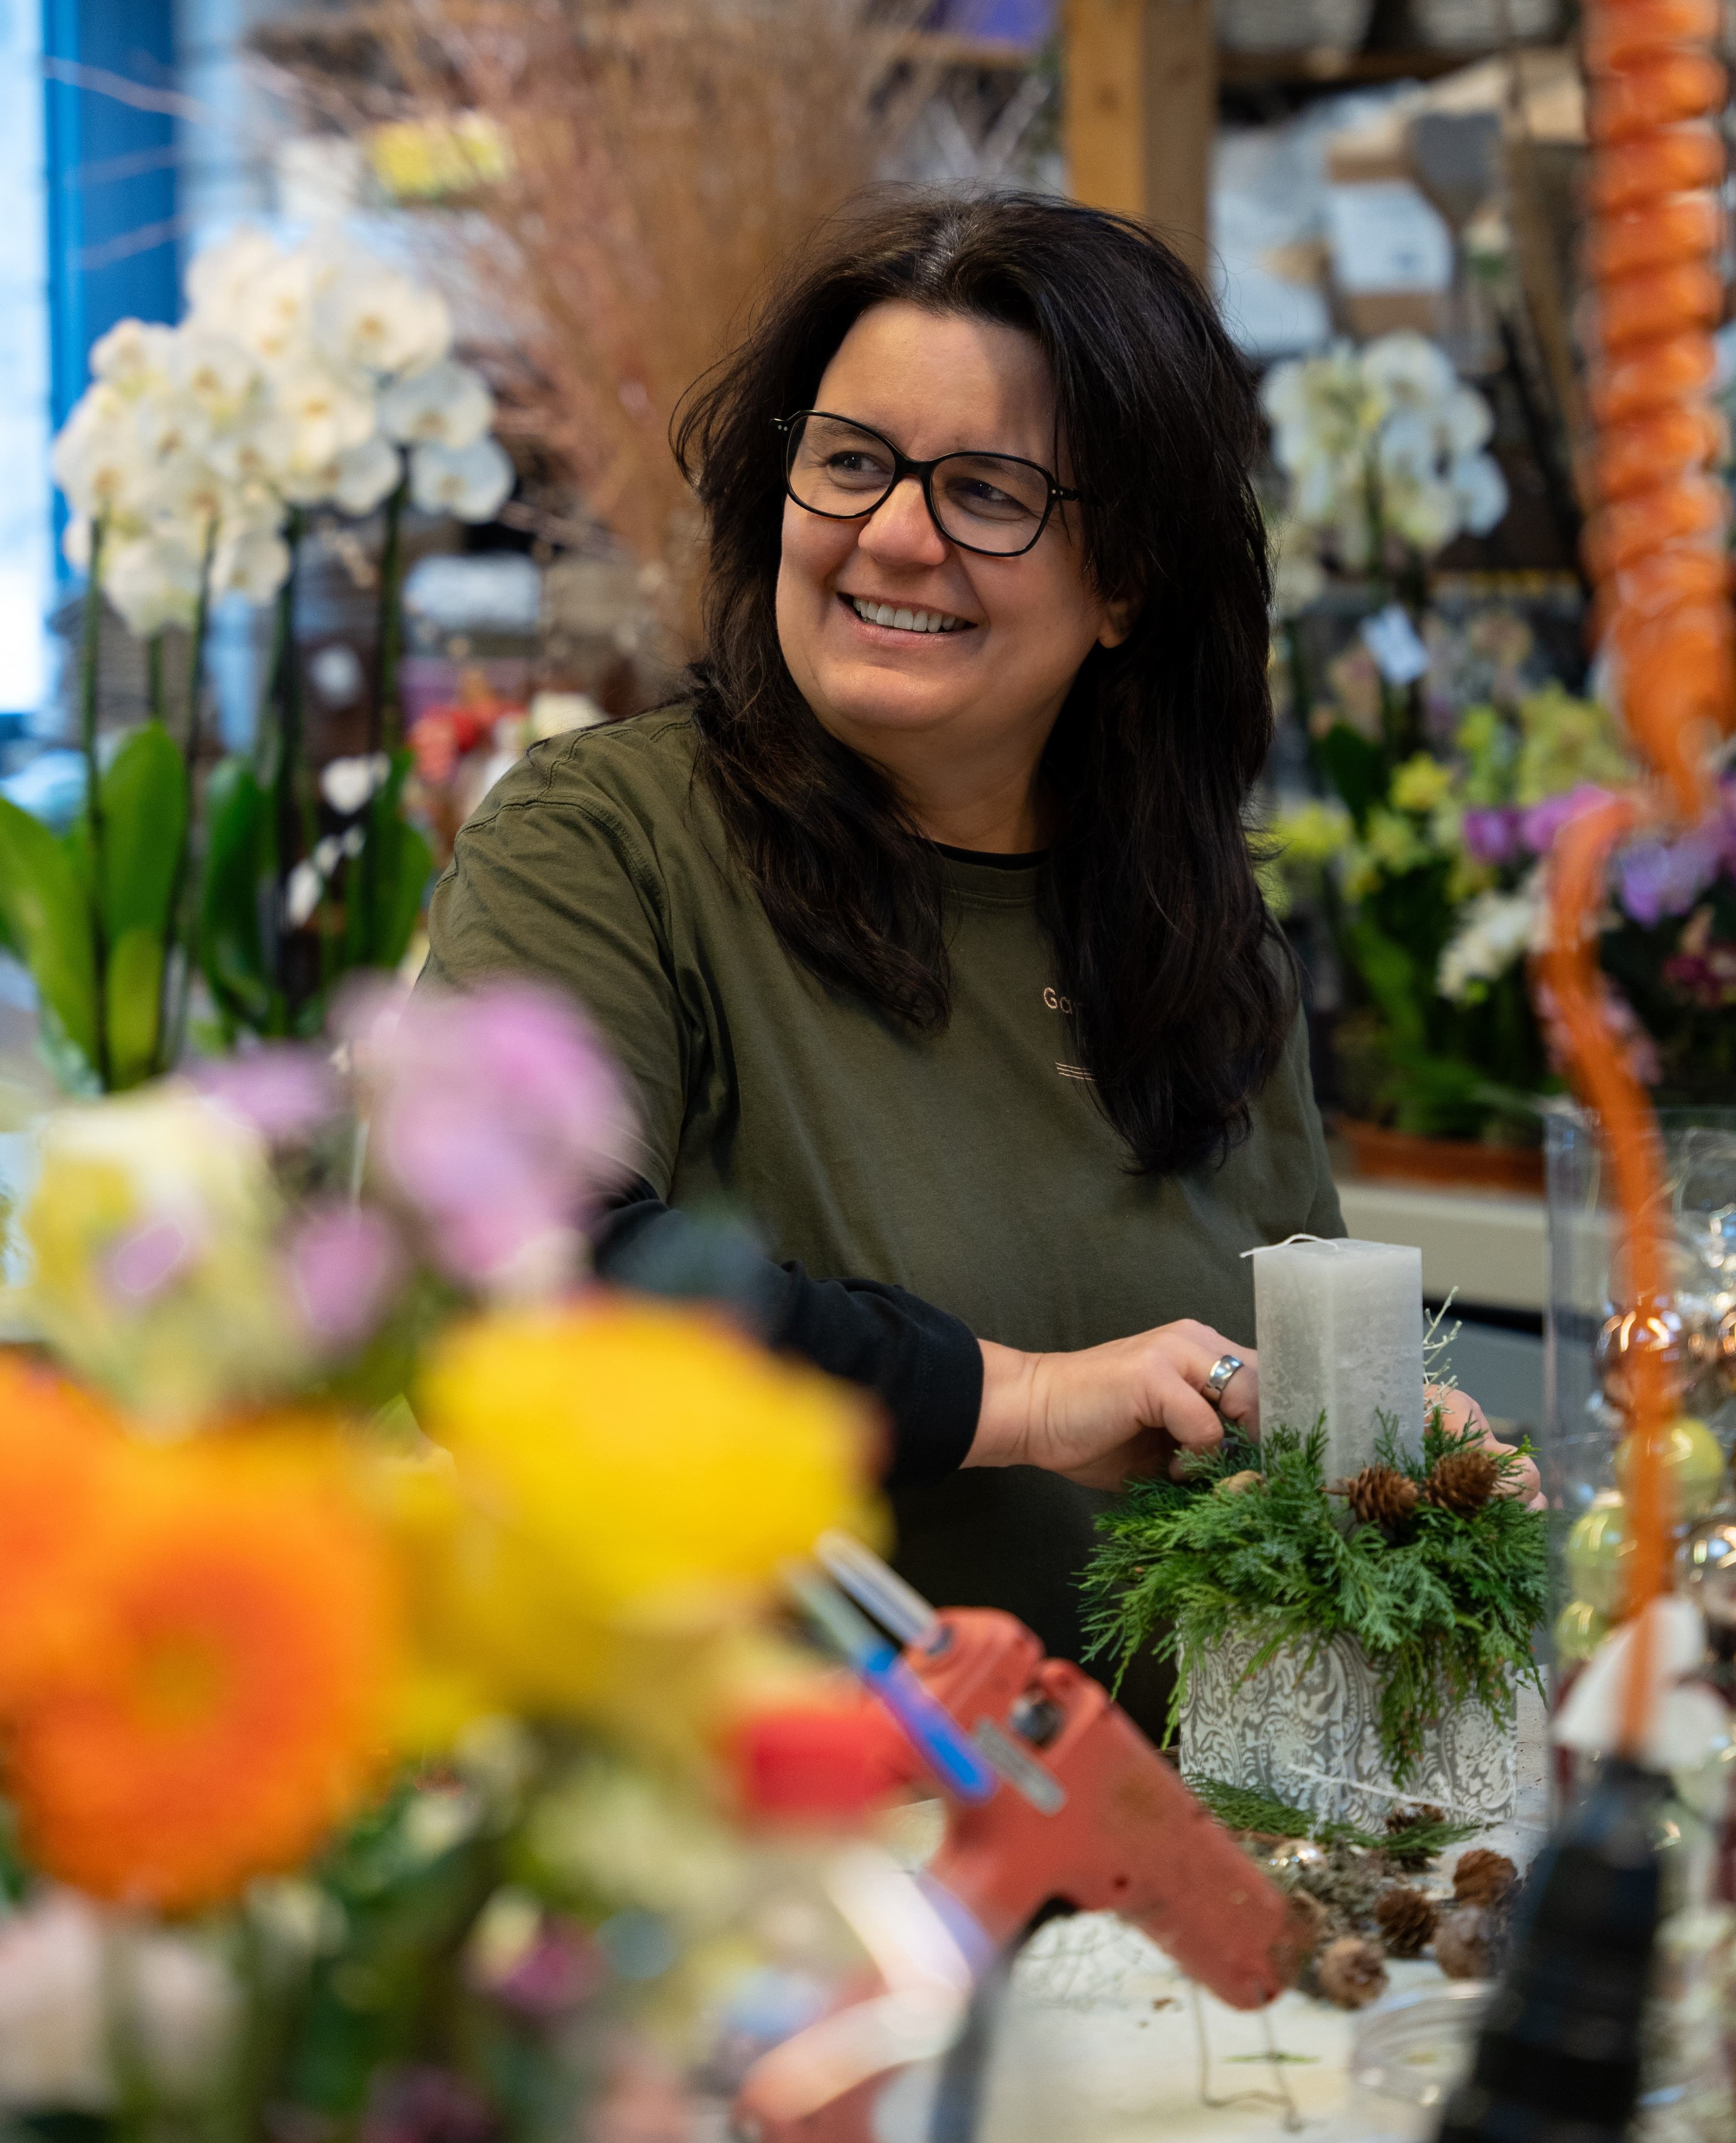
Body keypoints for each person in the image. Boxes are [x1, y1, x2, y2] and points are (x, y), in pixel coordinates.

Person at [423, 190, 1523, 1730]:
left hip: (1186, 1872)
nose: (893, 533)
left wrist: (1392, 1457)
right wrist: (1022, 1396)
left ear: (1129, 579)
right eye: (852, 460)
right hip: (799, 1890)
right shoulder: (606, 843)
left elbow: (1274, 1392)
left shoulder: (1195, 930)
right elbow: (510, 1290)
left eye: (988, 491)